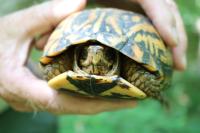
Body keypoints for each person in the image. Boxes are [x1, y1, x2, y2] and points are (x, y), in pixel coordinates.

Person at [0, 0, 187, 114]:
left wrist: (152, 85)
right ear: (77, 55)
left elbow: (150, 73)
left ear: (114, 57)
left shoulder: (129, 67)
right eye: (85, 53)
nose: (95, 55)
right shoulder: (66, 60)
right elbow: (51, 65)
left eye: (104, 53)